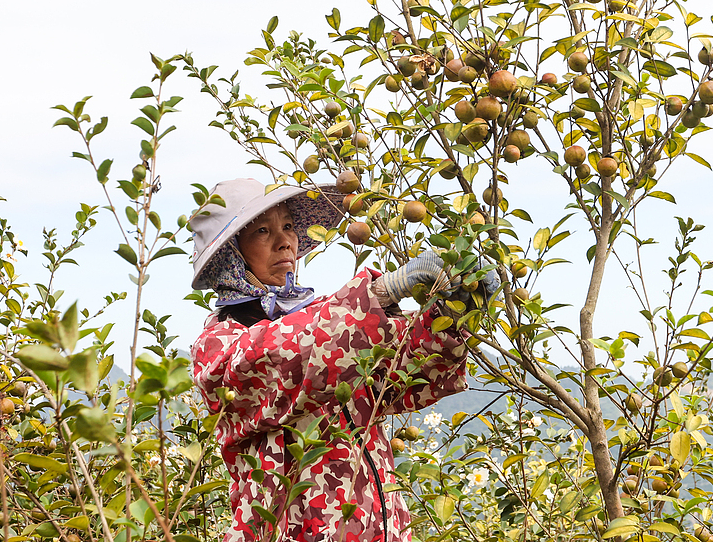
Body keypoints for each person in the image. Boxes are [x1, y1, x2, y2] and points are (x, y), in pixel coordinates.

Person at [189, 178, 494, 542]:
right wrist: (380, 293)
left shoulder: (324, 321)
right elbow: (287, 355)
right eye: (262, 231)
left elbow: (402, 376)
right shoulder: (219, 345)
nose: (285, 240)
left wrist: (455, 316)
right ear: (231, 255)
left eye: (287, 226)